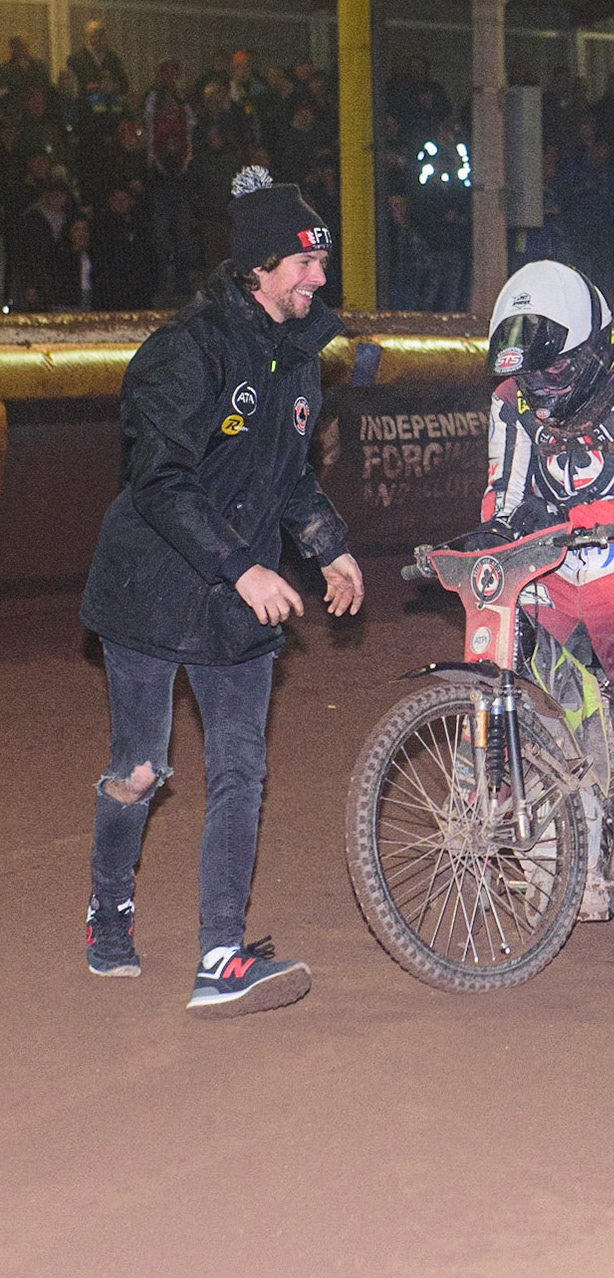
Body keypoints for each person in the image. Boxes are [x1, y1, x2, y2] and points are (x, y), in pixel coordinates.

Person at [79, 165, 362, 1016]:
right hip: (152, 585)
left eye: (321, 262)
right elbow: (160, 480)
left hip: (241, 590)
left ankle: (220, 954)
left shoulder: (302, 356)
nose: (318, 277)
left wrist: (329, 548)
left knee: (241, 767)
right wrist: (242, 565)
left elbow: (290, 479)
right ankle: (108, 910)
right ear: (257, 268)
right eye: (303, 264)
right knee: (140, 767)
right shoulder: (187, 350)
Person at [480, 260, 614, 958]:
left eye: (552, 372)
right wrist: (490, 536)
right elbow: (500, 499)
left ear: (589, 348)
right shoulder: (510, 399)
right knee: (511, 692)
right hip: (546, 567)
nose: (537, 390)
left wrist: (572, 516)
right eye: (529, 375)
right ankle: (544, 845)